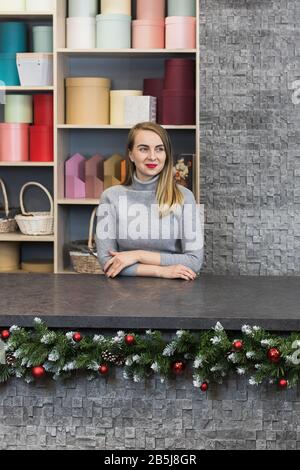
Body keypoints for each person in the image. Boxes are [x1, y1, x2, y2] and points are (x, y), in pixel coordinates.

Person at [96, 122, 204, 280]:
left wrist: (137, 255)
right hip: (123, 293)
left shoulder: (184, 197)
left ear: (166, 154)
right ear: (131, 154)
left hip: (174, 295)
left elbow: (194, 261)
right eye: (143, 149)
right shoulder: (110, 197)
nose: (152, 156)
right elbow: (107, 262)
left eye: (159, 149)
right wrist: (161, 271)